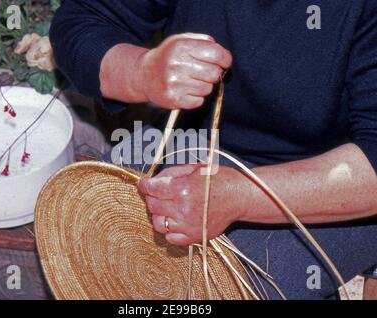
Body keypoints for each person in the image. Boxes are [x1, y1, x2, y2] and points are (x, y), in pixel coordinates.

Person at [50, 0, 377, 299]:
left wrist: (239, 195)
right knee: (79, 247)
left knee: (201, 294)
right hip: (196, 135)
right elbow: (82, 19)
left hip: (329, 182)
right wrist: (141, 71)